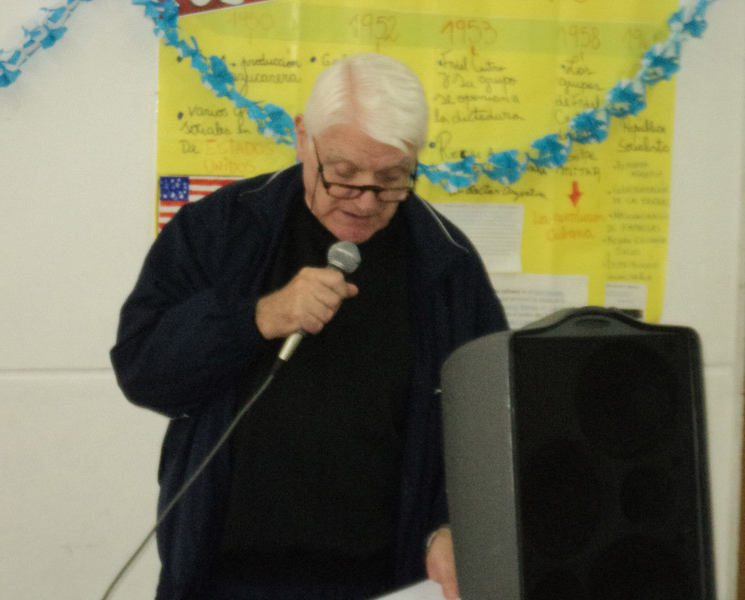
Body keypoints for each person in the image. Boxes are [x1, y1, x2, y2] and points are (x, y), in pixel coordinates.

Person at [111, 53, 507, 600]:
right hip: (224, 576)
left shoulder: (447, 264)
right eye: (342, 174)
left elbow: (490, 431)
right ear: (303, 138)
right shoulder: (222, 227)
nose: (364, 202)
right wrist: (258, 318)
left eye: (391, 180)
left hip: (384, 582)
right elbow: (143, 372)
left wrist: (448, 525)